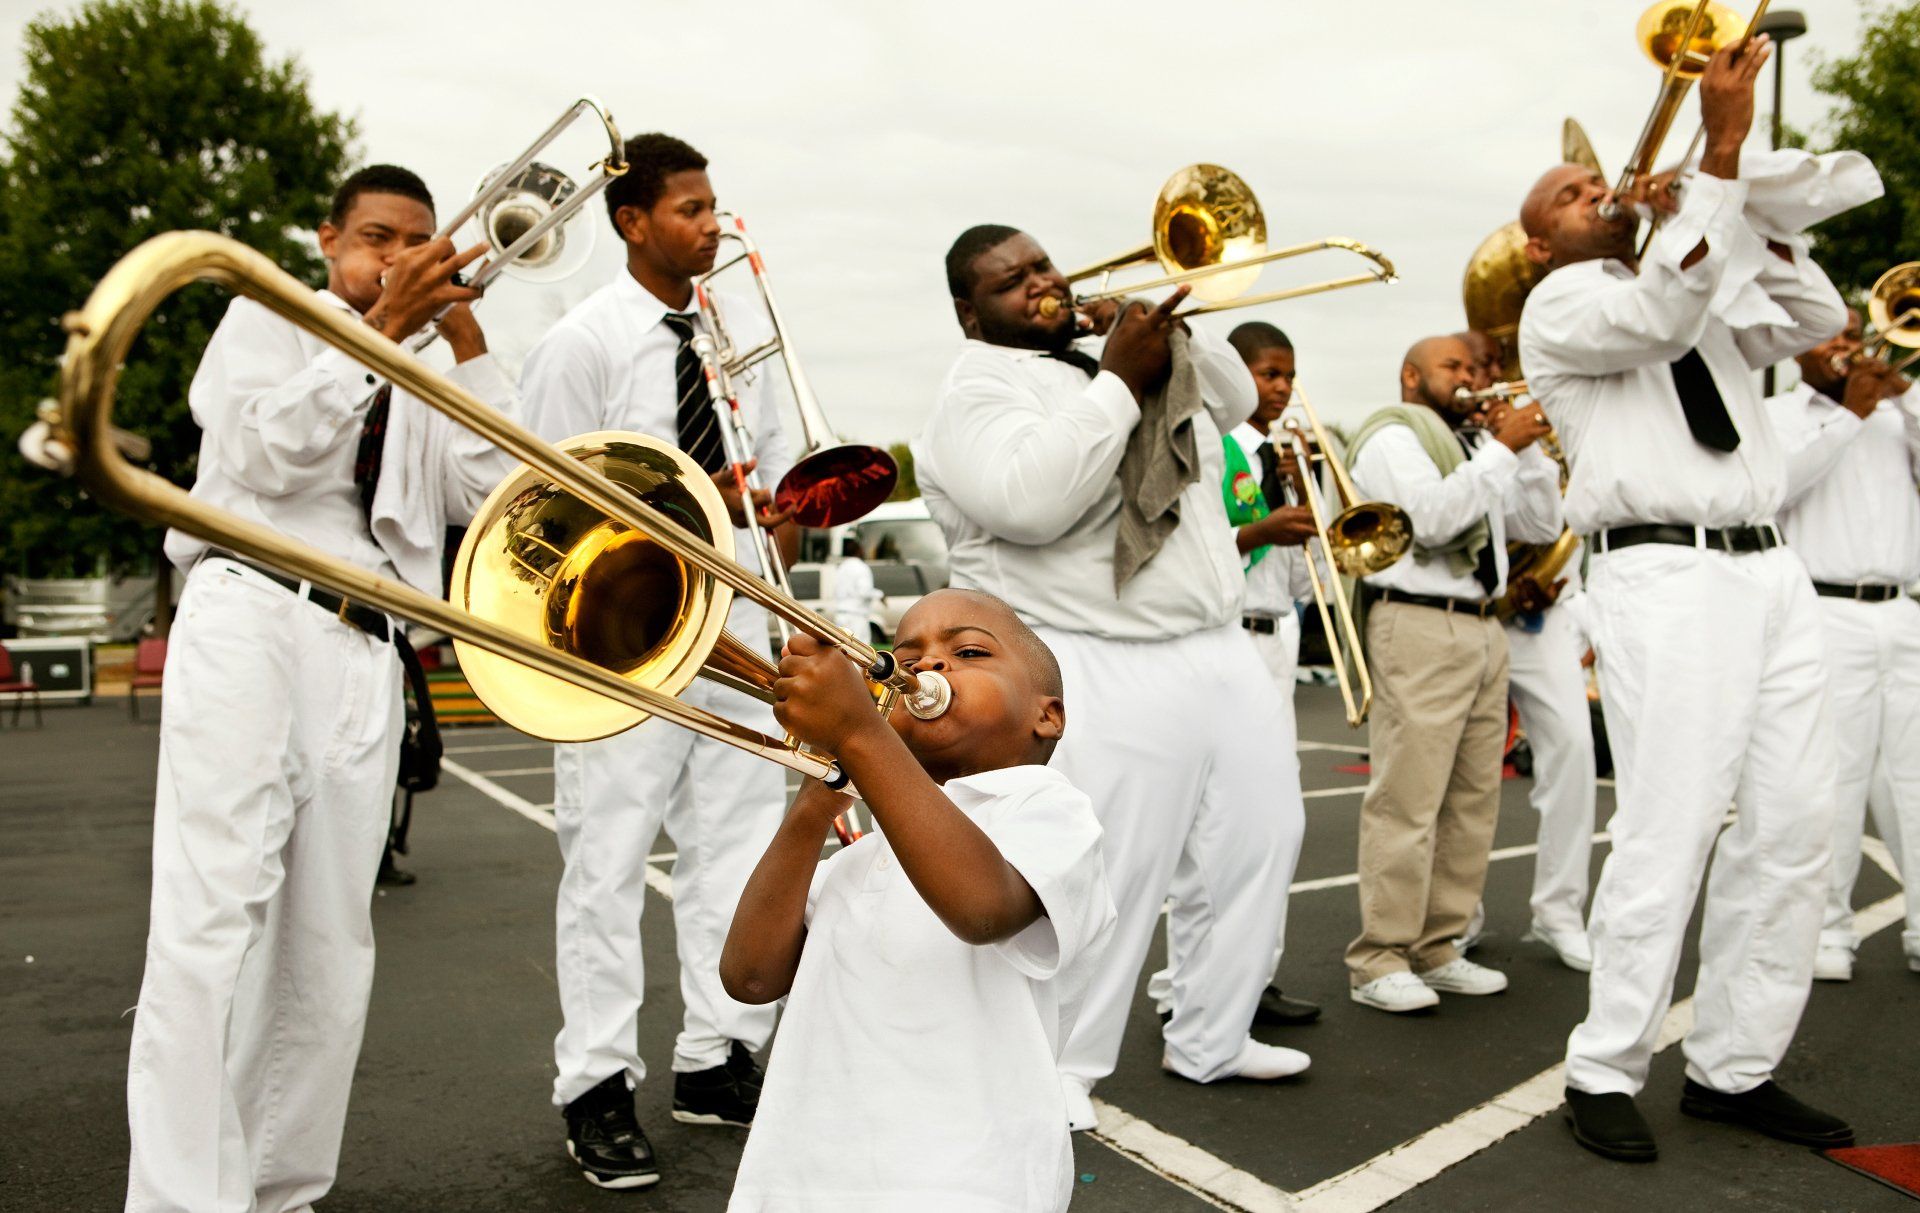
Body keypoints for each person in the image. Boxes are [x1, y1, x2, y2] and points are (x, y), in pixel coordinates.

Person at [127, 164, 514, 1212]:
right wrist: (382, 328)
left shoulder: (432, 356)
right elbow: (261, 449)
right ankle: (176, 1202)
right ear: (327, 237)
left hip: (368, 640)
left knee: (330, 952)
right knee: (211, 926)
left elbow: (493, 492)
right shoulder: (272, 312)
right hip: (254, 608)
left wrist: (465, 340)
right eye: (377, 236)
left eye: (417, 242)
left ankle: (280, 1191)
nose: (397, 257)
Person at [1517, 33, 1858, 1161]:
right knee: (1670, 824)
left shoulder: (1689, 273)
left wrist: (1738, 198)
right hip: (1663, 572)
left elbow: (1812, 323)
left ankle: (1734, 1063)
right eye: (1573, 192)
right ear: (1536, 243)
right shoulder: (1562, 307)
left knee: (1802, 825)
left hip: (1770, 569)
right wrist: (1713, 147)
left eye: (1596, 179)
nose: (1601, 187)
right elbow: (1662, 317)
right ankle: (1604, 1066)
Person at [915, 225, 1308, 1132]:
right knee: (1114, 870)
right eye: (1012, 282)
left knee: (1262, 837)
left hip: (1214, 641)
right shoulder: (975, 389)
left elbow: (1241, 401)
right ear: (970, 312)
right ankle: (1060, 1065)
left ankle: (1213, 1032)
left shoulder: (1106, 354)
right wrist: (1121, 381)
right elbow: (1031, 500)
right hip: (1100, 649)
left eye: (1043, 265)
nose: (1042, 285)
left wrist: (1169, 332)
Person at [518, 132, 794, 1189]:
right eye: (690, 208)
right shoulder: (584, 341)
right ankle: (594, 1083)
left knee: (733, 849)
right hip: (626, 636)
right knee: (607, 863)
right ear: (632, 221)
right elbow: (541, 501)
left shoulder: (725, 333)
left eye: (715, 205)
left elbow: (759, 476)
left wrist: (778, 508)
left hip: (736, 625)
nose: (711, 224)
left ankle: (714, 1056)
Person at [721, 588, 1116, 1212]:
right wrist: (813, 803)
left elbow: (982, 908)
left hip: (970, 1181)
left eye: (968, 651)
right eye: (905, 658)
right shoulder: (856, 861)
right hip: (801, 1176)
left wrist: (857, 734)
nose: (927, 668)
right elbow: (748, 976)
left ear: (1048, 716)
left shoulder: (1047, 810)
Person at [1342, 335, 1562, 1013]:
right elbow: (1431, 521)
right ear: (1412, 375)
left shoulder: (1473, 450)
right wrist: (1502, 450)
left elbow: (1541, 520)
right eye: (1454, 367)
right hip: (1418, 621)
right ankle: (1379, 957)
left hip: (1480, 624)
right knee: (1407, 798)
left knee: (1472, 801)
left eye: (1477, 368)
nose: (1472, 379)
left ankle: (1439, 946)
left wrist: (1524, 455)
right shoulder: (1394, 435)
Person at [1147, 321, 1322, 1027]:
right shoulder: (1218, 446)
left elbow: (1318, 555)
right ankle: (1185, 987)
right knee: (1213, 831)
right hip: (1227, 635)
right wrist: (1263, 529)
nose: (1278, 389)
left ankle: (1254, 973)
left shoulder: (1286, 455)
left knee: (1268, 827)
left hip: (1281, 630)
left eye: (1286, 376)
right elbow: (1199, 545)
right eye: (1266, 375)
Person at [1769, 306, 1920, 982]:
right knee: (1837, 777)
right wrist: (1849, 416)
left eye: (1852, 334)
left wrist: (1904, 395)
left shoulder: (1895, 413)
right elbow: (1777, 486)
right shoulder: (1778, 415)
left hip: (1904, 609)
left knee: (1914, 782)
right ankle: (1828, 928)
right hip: (1826, 611)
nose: (1844, 346)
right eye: (1827, 335)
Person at [1457, 328, 1598, 972]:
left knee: (1572, 744)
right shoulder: (1449, 434)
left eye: (1497, 364)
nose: (1492, 375)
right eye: (1481, 365)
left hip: (1543, 621)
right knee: (1465, 769)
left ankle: (1560, 912)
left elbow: (1544, 526)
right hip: (1475, 612)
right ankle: (1456, 917)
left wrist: (1530, 449)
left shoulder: (1542, 432)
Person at [829, 536, 881, 640]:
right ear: (858, 550)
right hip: (856, 617)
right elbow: (864, 591)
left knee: (842, 650)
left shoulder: (841, 567)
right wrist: (880, 594)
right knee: (861, 652)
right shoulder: (861, 567)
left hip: (841, 615)